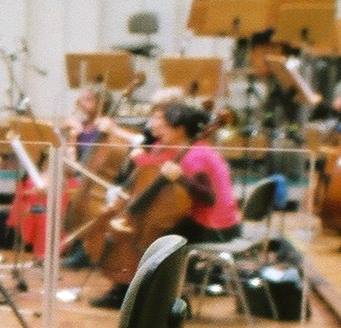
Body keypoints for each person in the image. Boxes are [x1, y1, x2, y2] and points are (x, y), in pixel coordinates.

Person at [90, 100, 240, 309]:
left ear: (180, 130)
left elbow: (208, 197)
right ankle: (131, 290)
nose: (159, 130)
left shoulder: (196, 154)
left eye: (165, 125)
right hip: (206, 219)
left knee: (152, 239)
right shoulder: (184, 147)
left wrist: (181, 178)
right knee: (144, 228)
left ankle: (155, 296)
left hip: (213, 226)